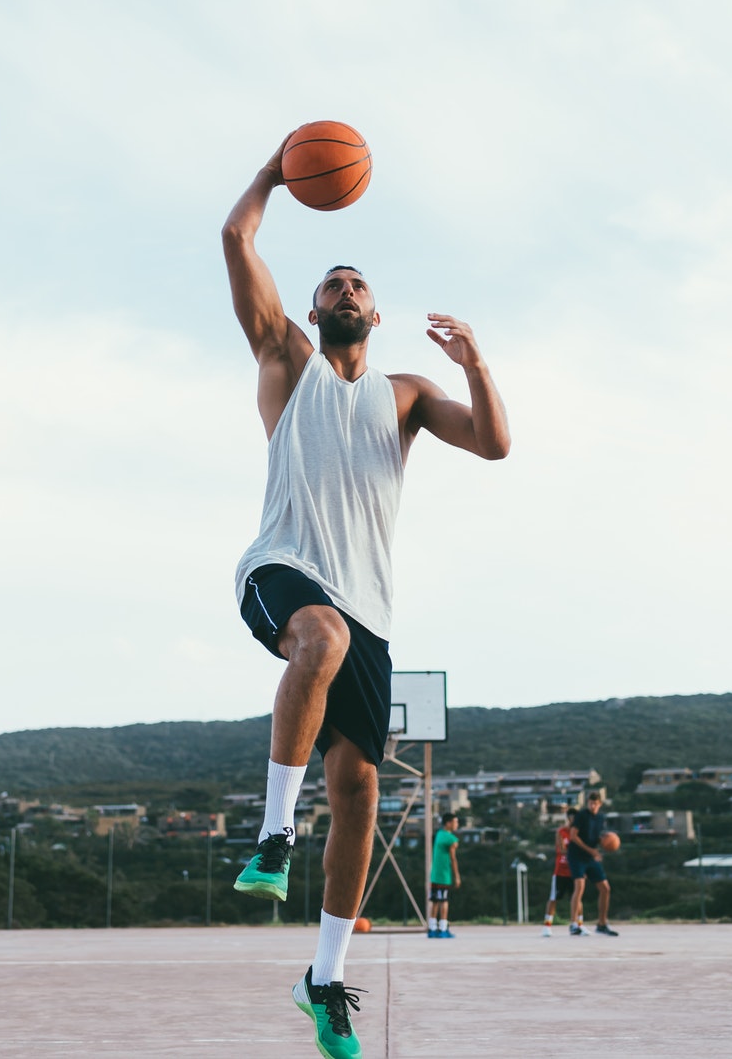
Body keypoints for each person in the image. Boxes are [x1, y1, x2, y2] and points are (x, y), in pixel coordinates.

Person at [222, 142, 511, 1059]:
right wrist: (275, 170)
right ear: (311, 308)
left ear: (374, 313)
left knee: (361, 787)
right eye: (332, 283)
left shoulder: (407, 394)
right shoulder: (286, 358)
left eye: (357, 284)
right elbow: (236, 236)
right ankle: (271, 833)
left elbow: (497, 444)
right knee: (320, 634)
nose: (345, 290)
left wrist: (475, 363)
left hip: (369, 612)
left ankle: (324, 978)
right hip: (281, 570)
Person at [567, 793, 618, 936]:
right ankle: (573, 924)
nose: (592, 805)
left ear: (600, 804)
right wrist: (591, 850)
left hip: (590, 857)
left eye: (595, 803)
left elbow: (594, 837)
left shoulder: (601, 818)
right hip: (577, 856)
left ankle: (602, 923)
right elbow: (573, 836)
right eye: (590, 803)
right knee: (579, 887)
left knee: (605, 888)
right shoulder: (582, 815)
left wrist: (605, 842)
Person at [541, 809, 578, 937]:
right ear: (568, 818)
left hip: (575, 870)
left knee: (577, 898)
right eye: (572, 818)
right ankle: (547, 926)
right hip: (561, 870)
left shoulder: (581, 833)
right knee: (554, 898)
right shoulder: (561, 832)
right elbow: (561, 849)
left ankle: (578, 925)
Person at [427, 813, 461, 938]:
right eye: (455, 822)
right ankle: (443, 928)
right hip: (443, 874)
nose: (457, 824)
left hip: (434, 874)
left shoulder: (439, 834)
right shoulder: (451, 839)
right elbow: (453, 859)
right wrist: (456, 876)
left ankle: (432, 928)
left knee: (435, 901)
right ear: (448, 823)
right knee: (444, 901)